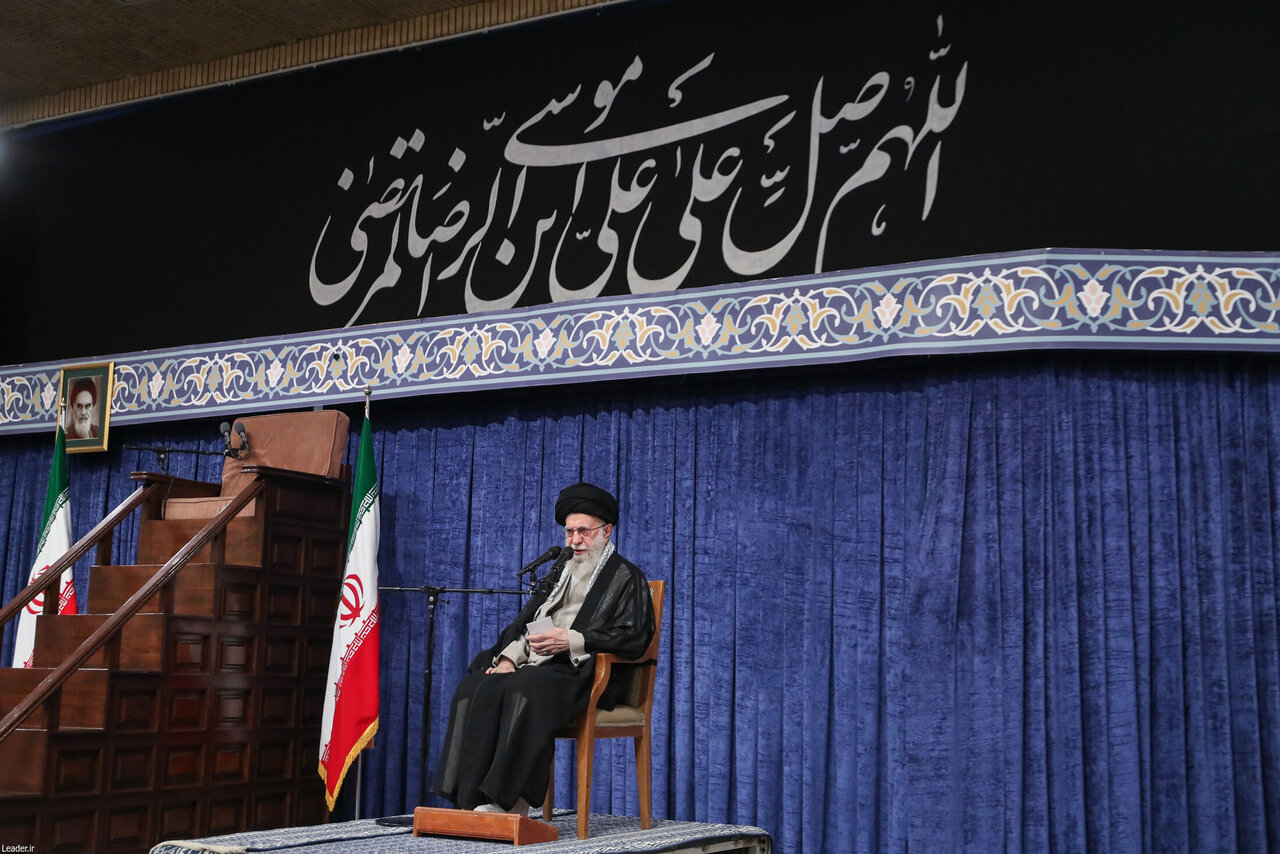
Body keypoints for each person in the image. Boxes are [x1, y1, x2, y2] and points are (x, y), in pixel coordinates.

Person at [433, 481, 655, 818]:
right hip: (542, 668)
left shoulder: (626, 577)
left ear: (607, 531)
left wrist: (572, 640)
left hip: (588, 673)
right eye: (569, 532)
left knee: (527, 687)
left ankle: (511, 803)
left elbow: (635, 637)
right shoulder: (560, 572)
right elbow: (533, 625)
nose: (575, 540)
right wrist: (510, 658)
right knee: (476, 685)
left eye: (584, 531)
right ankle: (469, 799)